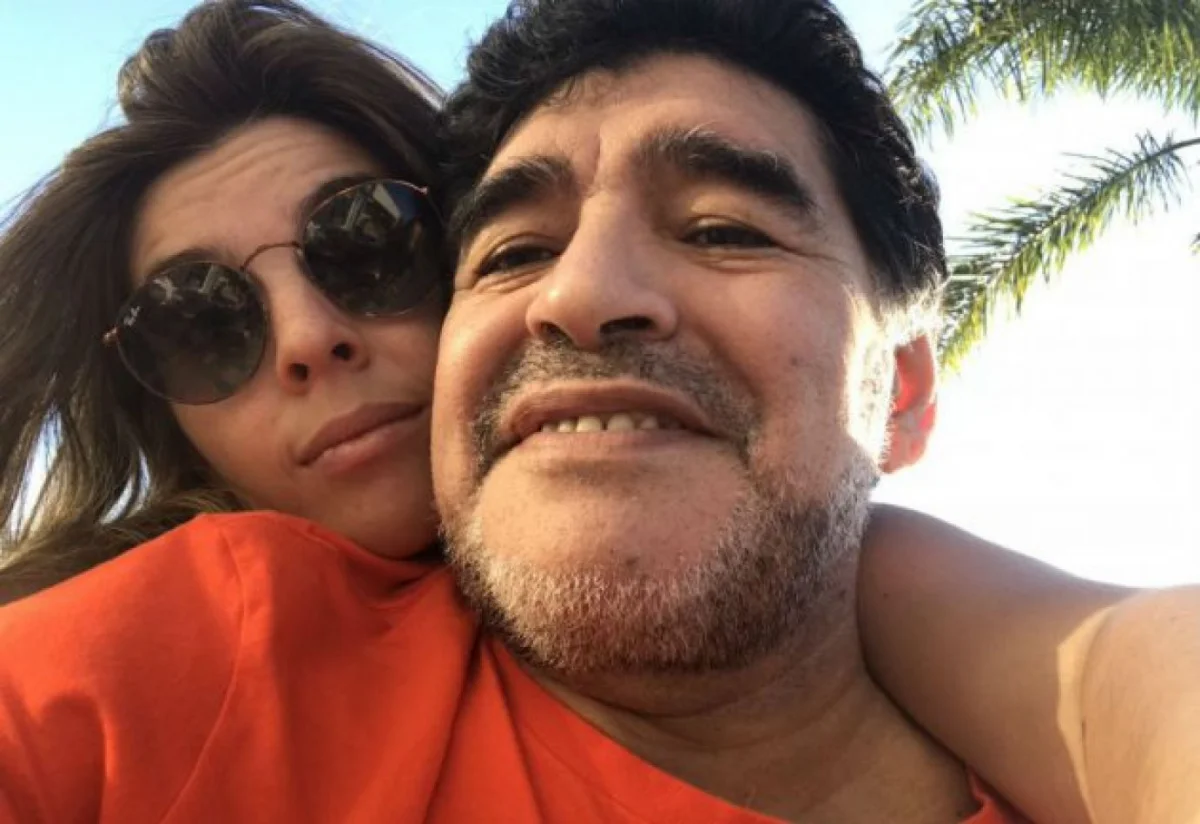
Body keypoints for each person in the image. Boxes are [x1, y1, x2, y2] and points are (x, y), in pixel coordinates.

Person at [0, 1, 1194, 822]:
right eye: (517, 250)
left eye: (370, 244)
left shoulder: (1004, 668)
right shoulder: (217, 647)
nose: (576, 294)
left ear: (908, 390)